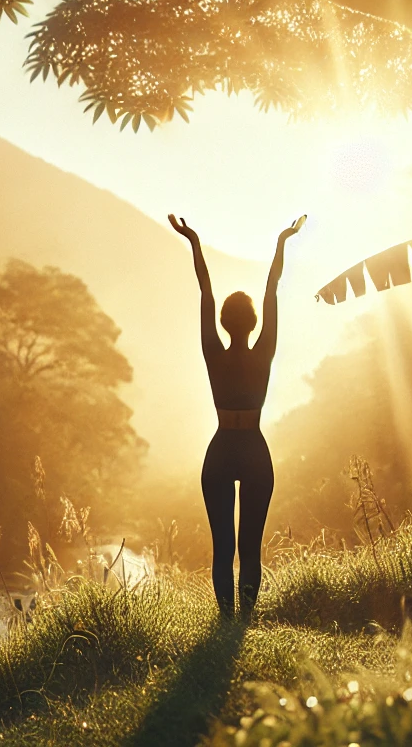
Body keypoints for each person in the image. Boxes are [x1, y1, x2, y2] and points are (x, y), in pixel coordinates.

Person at [168, 213, 304, 618]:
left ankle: (228, 620)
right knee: (250, 547)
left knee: (223, 547)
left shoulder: (214, 353)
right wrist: (283, 241)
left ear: (224, 323)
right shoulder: (264, 351)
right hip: (254, 449)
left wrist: (193, 241)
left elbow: (205, 290)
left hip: (222, 448)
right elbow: (272, 290)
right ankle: (244, 620)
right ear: (255, 323)